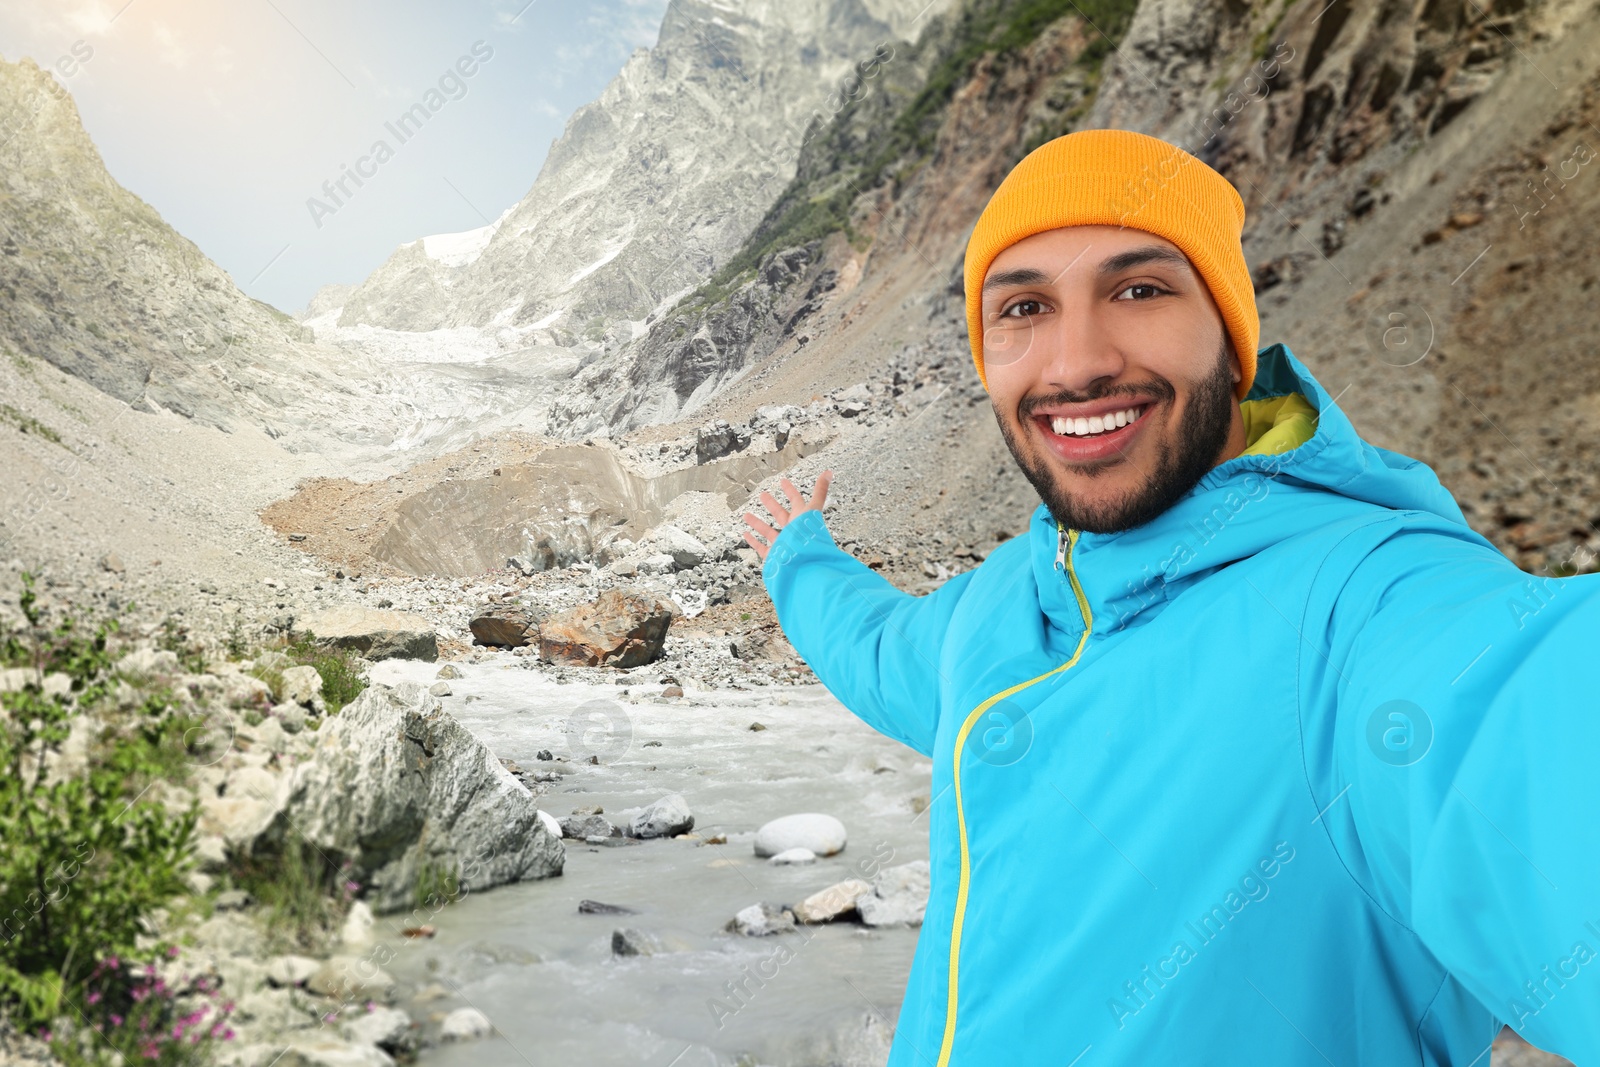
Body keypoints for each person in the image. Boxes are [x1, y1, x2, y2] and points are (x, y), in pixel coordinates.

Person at [739, 128, 1600, 1066]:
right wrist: (797, 556)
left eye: (1140, 289)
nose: (1074, 364)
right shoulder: (996, 609)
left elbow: (1523, 728)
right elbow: (877, 644)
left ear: (1233, 340)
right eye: (1022, 307)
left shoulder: (1367, 604)